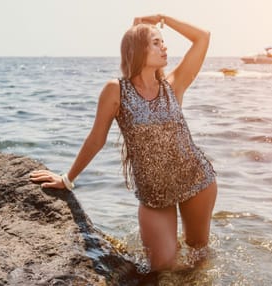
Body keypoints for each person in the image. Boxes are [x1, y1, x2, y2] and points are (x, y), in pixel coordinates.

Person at [30, 14, 217, 272]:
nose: (164, 47)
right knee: (161, 268)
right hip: (154, 194)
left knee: (198, 256)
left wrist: (163, 18)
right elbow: (96, 139)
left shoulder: (174, 85)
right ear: (138, 49)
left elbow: (203, 37)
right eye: (156, 42)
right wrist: (67, 178)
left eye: (163, 42)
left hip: (196, 181)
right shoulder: (115, 90)